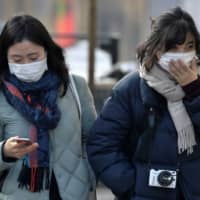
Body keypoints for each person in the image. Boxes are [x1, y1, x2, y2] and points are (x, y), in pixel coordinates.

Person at [87, 7, 200, 200]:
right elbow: (102, 145)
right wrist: (133, 187)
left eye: (189, 46)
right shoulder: (131, 89)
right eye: (174, 48)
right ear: (157, 51)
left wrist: (194, 90)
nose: (183, 54)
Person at [0, 14, 96, 200]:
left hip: (74, 193)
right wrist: (4, 152)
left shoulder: (75, 87)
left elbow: (92, 138)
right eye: (17, 60)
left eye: (33, 57)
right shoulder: (2, 94)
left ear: (47, 52)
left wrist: (89, 177)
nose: (26, 65)